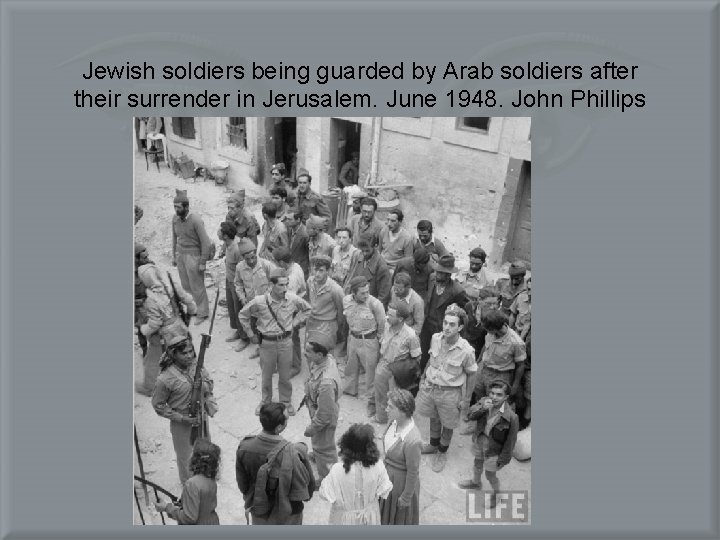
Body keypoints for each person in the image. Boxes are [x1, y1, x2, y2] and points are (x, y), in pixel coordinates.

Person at [237, 269, 311, 415]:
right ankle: (265, 401)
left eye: (286, 285)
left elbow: (307, 309)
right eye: (281, 285)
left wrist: (295, 322)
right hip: (267, 344)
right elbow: (243, 314)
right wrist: (250, 333)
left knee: (285, 375)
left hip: (285, 343)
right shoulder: (260, 301)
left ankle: (285, 401)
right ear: (271, 285)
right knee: (266, 375)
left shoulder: (292, 299)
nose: (285, 289)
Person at [416, 305, 477, 473]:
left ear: (460, 327)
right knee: (433, 418)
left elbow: (472, 374)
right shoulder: (435, 338)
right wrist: (423, 376)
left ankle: (442, 452)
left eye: (452, 324)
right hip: (431, 388)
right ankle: (433, 445)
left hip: (450, 393)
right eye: (445, 323)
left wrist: (466, 400)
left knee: (448, 424)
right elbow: (430, 359)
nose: (447, 327)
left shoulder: (466, 350)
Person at [152, 330, 216, 484]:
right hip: (182, 423)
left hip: (201, 416)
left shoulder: (196, 364)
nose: (189, 356)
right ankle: (189, 485)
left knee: (205, 448)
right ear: (174, 354)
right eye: (184, 353)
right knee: (186, 456)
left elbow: (210, 382)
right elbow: (158, 405)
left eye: (190, 351)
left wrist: (203, 387)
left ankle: (207, 476)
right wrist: (182, 418)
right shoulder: (165, 378)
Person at [235, 402, 316, 525]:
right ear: (279, 428)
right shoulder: (293, 453)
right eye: (286, 420)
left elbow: (242, 484)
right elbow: (304, 490)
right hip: (288, 515)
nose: (287, 421)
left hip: (259, 509)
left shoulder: (244, 447)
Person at [136, 263, 196, 396]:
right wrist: (191, 309)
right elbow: (186, 298)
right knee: (184, 353)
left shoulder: (151, 299)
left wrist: (143, 329)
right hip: (179, 325)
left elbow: (155, 323)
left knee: (152, 361)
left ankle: (150, 387)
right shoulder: (168, 283)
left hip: (164, 334)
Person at [458, 380, 519, 509]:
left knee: (490, 474)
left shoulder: (512, 417)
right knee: (477, 462)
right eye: (492, 393)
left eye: (499, 394)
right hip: (480, 440)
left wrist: (503, 459)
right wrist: (482, 408)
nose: (494, 397)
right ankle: (476, 482)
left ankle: (497, 494)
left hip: (494, 449)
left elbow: (511, 441)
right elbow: (469, 415)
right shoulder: (484, 402)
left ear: (506, 397)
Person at [318, 424, 393, 525]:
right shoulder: (378, 466)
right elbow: (384, 490)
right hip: (369, 517)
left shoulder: (337, 470)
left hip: (344, 520)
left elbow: (324, 494)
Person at [342, 276, 386, 418]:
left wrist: (378, 342)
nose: (366, 295)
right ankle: (350, 390)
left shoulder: (375, 304)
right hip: (353, 337)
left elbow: (382, 325)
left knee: (370, 372)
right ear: (353, 293)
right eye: (362, 293)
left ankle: (372, 402)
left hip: (369, 341)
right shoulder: (346, 301)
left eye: (367, 291)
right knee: (350, 366)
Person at [373, 302, 421, 424]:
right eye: (387, 313)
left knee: (395, 399)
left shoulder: (411, 335)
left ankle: (395, 423)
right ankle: (381, 417)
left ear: (400, 319)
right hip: (383, 364)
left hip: (397, 371)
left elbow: (417, 358)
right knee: (380, 394)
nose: (387, 317)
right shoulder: (385, 325)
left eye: (390, 315)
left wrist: (404, 371)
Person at [419, 254, 468, 372]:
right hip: (426, 325)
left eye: (441, 272)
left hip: (442, 328)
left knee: (437, 356)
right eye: (437, 271)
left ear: (448, 274)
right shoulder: (431, 279)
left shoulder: (457, 291)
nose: (437, 274)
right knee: (423, 354)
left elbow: (463, 314)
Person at [379, 389, 422, 525]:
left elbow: (413, 472)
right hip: (387, 478)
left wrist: (406, 497)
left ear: (402, 411)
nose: (386, 409)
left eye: (391, 407)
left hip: (399, 485)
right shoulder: (393, 422)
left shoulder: (413, 441)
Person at [154, 438, 221, 525]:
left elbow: (189, 517)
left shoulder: (192, 484)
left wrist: (167, 507)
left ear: (195, 459)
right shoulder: (211, 479)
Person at [171, 189, 213, 325]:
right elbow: (174, 238)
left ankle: (203, 312)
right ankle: (194, 307)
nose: (176, 210)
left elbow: (205, 242)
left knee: (197, 285)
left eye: (178, 207)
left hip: (194, 256)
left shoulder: (196, 220)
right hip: (180, 255)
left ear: (186, 207)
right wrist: (173, 255)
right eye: (174, 207)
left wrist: (202, 262)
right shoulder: (175, 219)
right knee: (185, 284)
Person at [303, 341, 342, 482]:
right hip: (318, 407)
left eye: (308, 351)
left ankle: (327, 477)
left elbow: (324, 416)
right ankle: (318, 455)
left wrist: (312, 428)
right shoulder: (327, 359)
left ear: (319, 354)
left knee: (324, 446)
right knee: (321, 441)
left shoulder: (326, 384)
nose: (305, 353)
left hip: (324, 414)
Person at [232, 239, 277, 354]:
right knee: (254, 325)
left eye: (253, 257)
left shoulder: (266, 265)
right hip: (251, 304)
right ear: (243, 258)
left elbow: (275, 282)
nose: (251, 261)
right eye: (247, 259)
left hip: (266, 304)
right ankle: (255, 343)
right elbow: (238, 284)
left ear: (256, 253)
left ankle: (265, 349)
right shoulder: (239, 268)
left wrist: (267, 296)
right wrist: (242, 297)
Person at [304, 255, 345, 374]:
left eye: (321, 270)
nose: (317, 274)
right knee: (309, 353)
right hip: (312, 322)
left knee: (326, 356)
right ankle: (313, 377)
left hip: (327, 324)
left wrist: (336, 328)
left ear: (328, 271)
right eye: (314, 270)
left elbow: (341, 311)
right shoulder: (310, 281)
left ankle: (327, 380)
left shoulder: (335, 289)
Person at [475, 309, 526, 402]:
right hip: (483, 368)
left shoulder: (516, 343)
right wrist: (478, 362)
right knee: (479, 397)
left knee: (495, 402)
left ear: (493, 329)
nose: (485, 330)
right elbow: (486, 346)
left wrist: (515, 386)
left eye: (486, 329)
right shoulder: (491, 332)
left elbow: (520, 365)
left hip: (500, 375)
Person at [272, 246, 306, 377]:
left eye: (276, 262)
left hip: (292, 310)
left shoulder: (291, 278)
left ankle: (295, 366)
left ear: (282, 262)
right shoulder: (295, 266)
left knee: (292, 338)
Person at [344, 240, 392, 307]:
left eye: (367, 251)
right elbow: (350, 278)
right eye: (362, 251)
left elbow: (384, 295)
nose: (364, 253)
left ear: (374, 247)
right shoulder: (358, 255)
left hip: (370, 306)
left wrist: (375, 310)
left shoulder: (382, 267)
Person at [218, 221, 244, 343]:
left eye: (220, 231)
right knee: (232, 307)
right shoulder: (226, 245)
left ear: (226, 236)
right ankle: (237, 330)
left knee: (239, 309)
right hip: (229, 280)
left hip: (236, 284)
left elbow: (243, 269)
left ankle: (244, 337)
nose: (218, 232)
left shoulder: (237, 249)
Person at [389, 272, 424, 336]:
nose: (395, 291)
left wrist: (403, 335)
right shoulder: (393, 291)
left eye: (400, 289)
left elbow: (418, 327)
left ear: (408, 288)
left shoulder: (418, 302)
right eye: (395, 287)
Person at [134, 243, 153, 357]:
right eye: (144, 258)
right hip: (138, 308)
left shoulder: (150, 266)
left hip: (151, 303)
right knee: (141, 329)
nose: (148, 259)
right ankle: (145, 350)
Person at [286, 210, 311, 278]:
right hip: (292, 267)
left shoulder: (305, 234)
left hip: (302, 269)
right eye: (287, 219)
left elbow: (309, 254)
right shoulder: (290, 229)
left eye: (290, 219)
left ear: (298, 220)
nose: (287, 221)